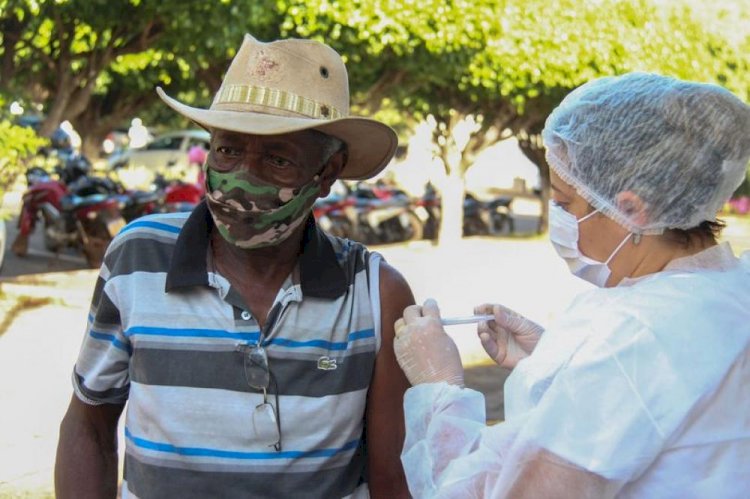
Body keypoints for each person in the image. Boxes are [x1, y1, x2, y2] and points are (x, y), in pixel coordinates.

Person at [55, 34, 413, 499]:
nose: (242, 180)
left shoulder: (374, 295)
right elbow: (90, 422)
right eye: (227, 150)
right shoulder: (138, 258)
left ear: (327, 173)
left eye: (278, 159)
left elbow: (394, 477)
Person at [392, 72, 750, 498]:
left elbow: (502, 492)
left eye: (565, 203)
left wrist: (439, 387)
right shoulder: (730, 293)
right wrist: (556, 366)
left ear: (632, 210)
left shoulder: (630, 338)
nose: (557, 218)